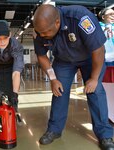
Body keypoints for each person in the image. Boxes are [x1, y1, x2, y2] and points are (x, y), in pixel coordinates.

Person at [33, 4, 114, 150]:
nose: (42, 36)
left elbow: (98, 49)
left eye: (45, 33)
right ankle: (54, 130)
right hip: (64, 61)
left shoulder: (80, 18)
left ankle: (105, 135)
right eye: (40, 33)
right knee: (59, 91)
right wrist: (53, 79)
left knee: (95, 92)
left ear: (57, 22)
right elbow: (41, 55)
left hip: (91, 57)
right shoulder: (41, 30)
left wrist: (94, 78)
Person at [99, 7, 114, 82]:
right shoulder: (97, 27)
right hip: (101, 59)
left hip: (113, 58)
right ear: (103, 17)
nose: (113, 16)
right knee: (104, 80)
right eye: (111, 14)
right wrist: (103, 31)